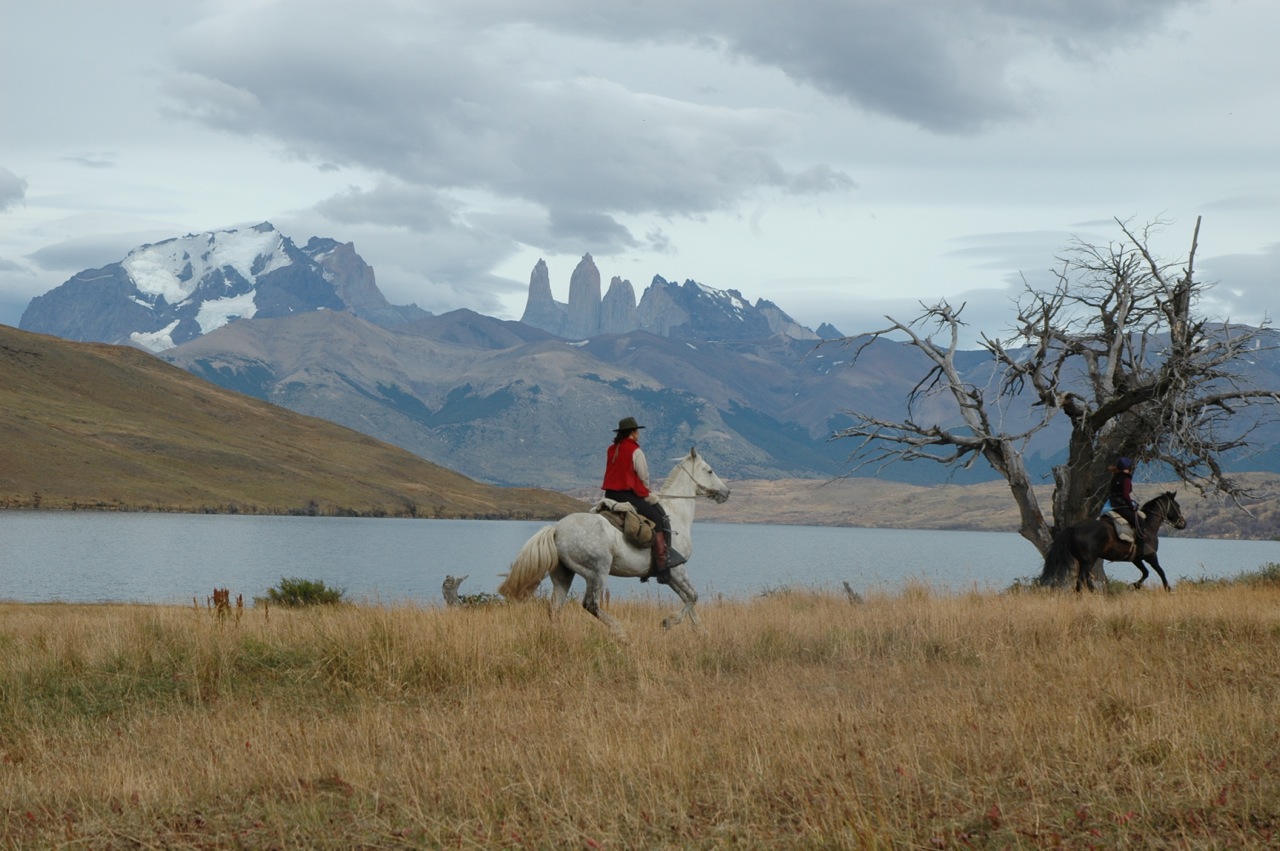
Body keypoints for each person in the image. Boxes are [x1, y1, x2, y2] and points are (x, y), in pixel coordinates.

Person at [601, 416, 686, 584]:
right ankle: (662, 564)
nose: (638, 434)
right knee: (658, 519)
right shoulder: (635, 451)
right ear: (632, 433)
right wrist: (646, 492)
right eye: (637, 431)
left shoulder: (612, 449)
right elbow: (643, 476)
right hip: (628, 495)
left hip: (610, 495)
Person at [1108, 456, 1144, 555]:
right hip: (1122, 507)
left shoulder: (1115, 477)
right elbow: (1125, 495)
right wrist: (1132, 506)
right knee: (1140, 522)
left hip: (1112, 506)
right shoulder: (1126, 479)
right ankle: (1140, 550)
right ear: (1128, 468)